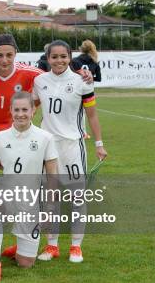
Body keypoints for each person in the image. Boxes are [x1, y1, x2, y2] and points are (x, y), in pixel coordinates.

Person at [0, 34, 93, 257]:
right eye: (0, 55)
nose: (4, 59)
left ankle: (27, 239)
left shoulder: (33, 74)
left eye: (9, 55)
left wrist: (82, 74)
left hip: (15, 134)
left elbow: (53, 79)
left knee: (27, 189)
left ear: (16, 55)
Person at [32, 40, 107, 263]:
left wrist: (99, 144)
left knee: (77, 197)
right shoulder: (39, 81)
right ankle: (52, 245)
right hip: (48, 148)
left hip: (73, 145)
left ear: (70, 57)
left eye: (63, 56)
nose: (59, 61)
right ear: (47, 58)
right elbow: (30, 108)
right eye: (54, 57)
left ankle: (76, 246)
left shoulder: (82, 81)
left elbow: (92, 115)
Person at [0, 92, 59, 279]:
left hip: (31, 202)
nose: (21, 114)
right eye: (16, 110)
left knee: (25, 263)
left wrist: (49, 207)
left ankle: (21, 244)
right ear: (10, 111)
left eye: (25, 109)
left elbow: (52, 175)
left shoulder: (45, 138)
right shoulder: (1, 137)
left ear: (33, 111)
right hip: (7, 196)